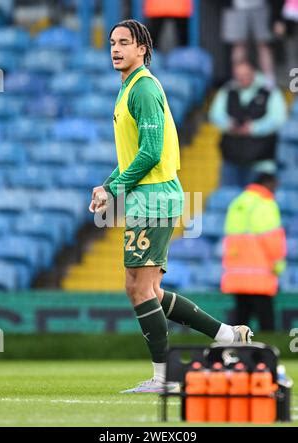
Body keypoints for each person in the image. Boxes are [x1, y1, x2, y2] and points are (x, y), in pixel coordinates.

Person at [89, 19, 253, 394]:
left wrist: (115, 189)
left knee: (139, 288)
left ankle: (165, 378)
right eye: (112, 42)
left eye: (124, 42)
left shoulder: (143, 88)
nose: (115, 48)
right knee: (148, 289)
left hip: (154, 196)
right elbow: (134, 153)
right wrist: (108, 186)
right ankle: (226, 334)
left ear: (142, 48)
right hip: (148, 195)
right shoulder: (130, 86)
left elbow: (149, 152)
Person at [221, 166, 287, 330]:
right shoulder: (265, 203)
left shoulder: (238, 202)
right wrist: (278, 265)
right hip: (260, 274)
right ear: (267, 183)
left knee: (240, 322)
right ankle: (268, 354)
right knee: (267, 323)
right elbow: (271, 239)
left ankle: (233, 353)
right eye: (274, 185)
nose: (275, 190)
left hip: (237, 274)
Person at [209, 60, 287, 187]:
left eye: (246, 75)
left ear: (254, 73)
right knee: (228, 200)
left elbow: (278, 119)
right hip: (231, 159)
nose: (242, 78)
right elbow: (215, 115)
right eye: (239, 75)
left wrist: (254, 128)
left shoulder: (269, 91)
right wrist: (230, 125)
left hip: (261, 161)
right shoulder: (227, 90)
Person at [221, 0, 275, 88]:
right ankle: (237, 78)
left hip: (261, 5)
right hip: (237, 6)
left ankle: (270, 80)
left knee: (264, 45)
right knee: (238, 46)